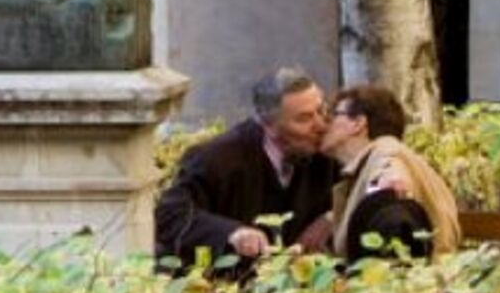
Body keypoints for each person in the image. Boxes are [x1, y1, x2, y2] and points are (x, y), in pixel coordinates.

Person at [153, 68, 337, 274]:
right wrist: (233, 233)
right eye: (304, 119)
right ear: (269, 126)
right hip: (226, 282)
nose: (321, 125)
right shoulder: (216, 159)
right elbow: (170, 215)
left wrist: (334, 216)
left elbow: (362, 186)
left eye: (321, 110)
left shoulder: (327, 149)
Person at [313, 83, 461, 264]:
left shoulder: (385, 151)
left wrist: (387, 190)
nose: (324, 124)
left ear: (358, 124)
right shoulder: (372, 162)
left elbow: (391, 182)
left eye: (334, 115)